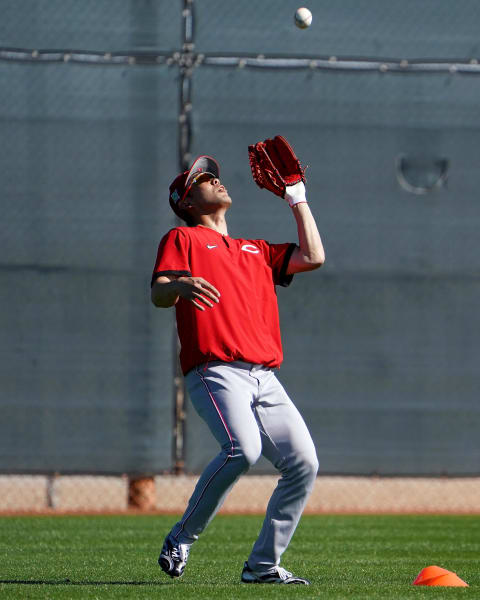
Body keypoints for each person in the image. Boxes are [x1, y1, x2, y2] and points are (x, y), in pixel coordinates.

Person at [151, 151, 325, 585]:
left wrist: (296, 197)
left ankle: (263, 566)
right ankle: (182, 537)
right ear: (187, 202)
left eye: (214, 176)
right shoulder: (183, 239)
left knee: (304, 462)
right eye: (203, 180)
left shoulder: (255, 250)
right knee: (241, 450)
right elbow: (158, 294)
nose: (215, 180)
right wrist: (180, 283)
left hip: (265, 377)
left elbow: (313, 256)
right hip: (216, 372)